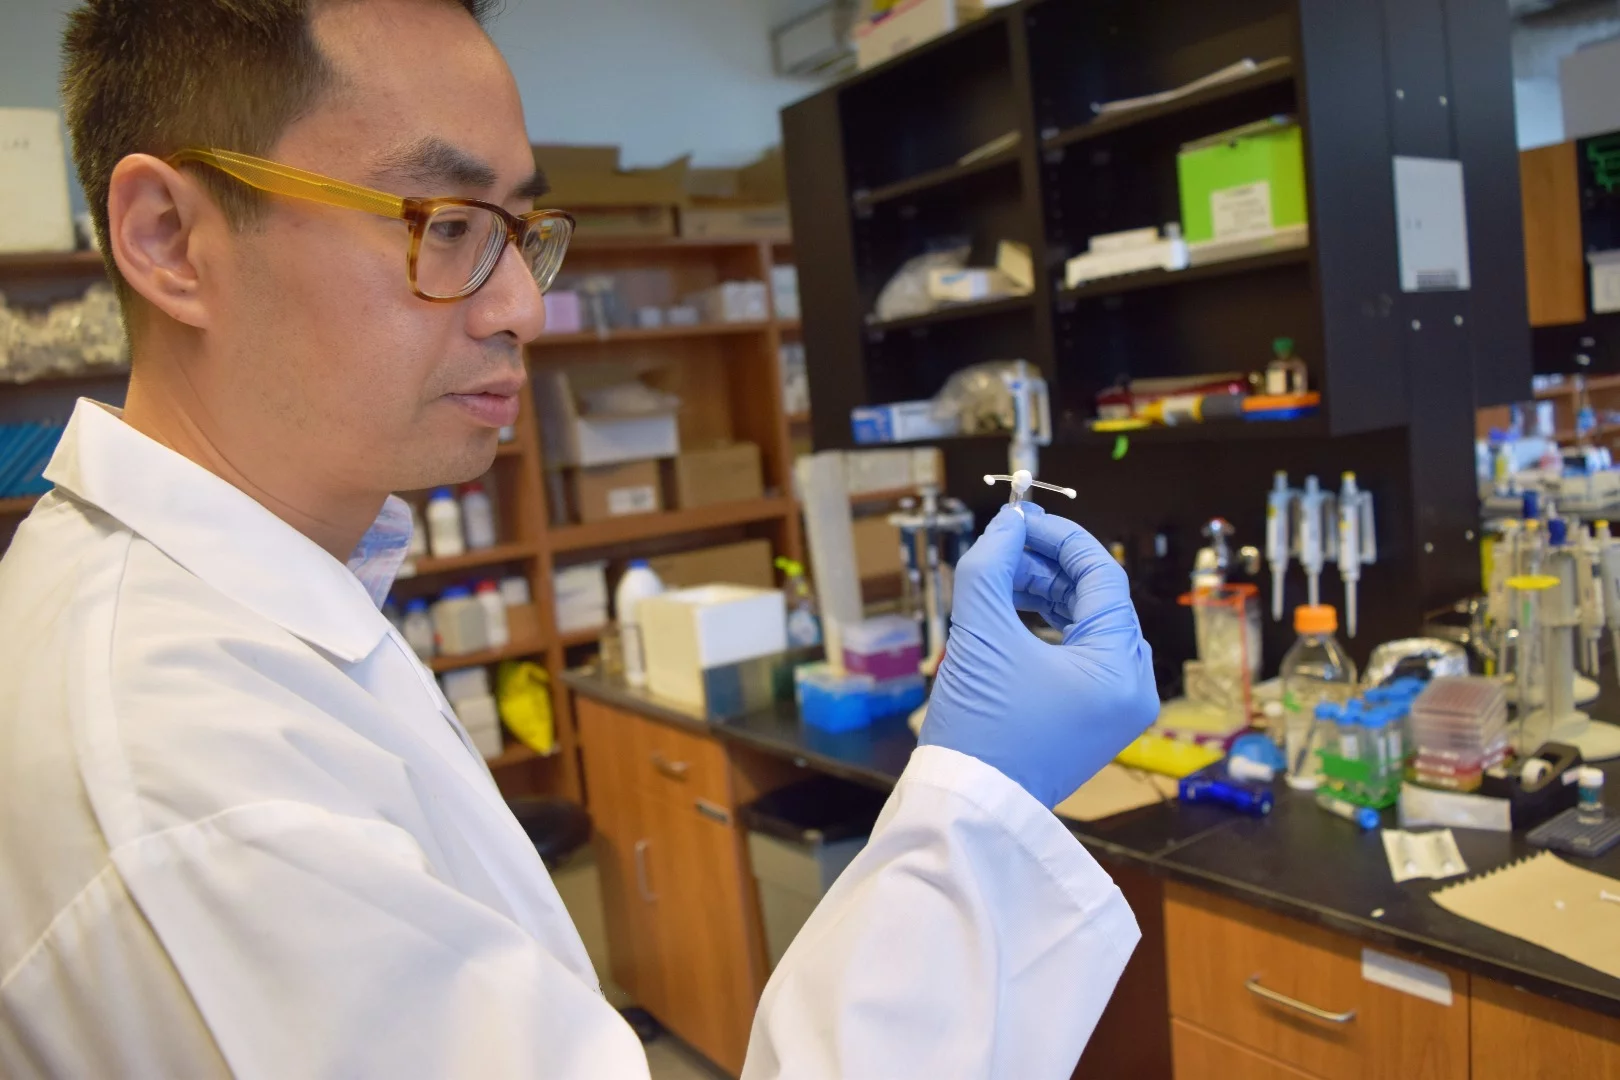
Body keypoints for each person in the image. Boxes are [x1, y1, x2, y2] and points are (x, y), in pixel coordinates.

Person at [0, 1, 1159, 1076]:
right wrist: (980, 803)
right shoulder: (193, 784)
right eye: (444, 226)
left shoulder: (253, 607)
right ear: (169, 240)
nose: (523, 308)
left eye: (518, 230)